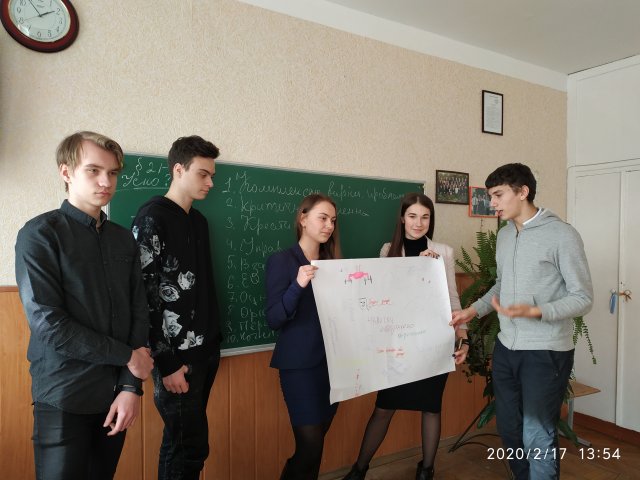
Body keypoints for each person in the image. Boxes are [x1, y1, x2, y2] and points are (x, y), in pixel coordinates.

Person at [15, 131, 154, 480]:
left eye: (113, 173)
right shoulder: (40, 234)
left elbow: (138, 312)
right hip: (64, 395)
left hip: (116, 396)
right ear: (66, 172)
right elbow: (49, 325)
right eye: (93, 170)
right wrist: (127, 357)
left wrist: (130, 386)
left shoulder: (123, 238)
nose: (106, 182)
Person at [451, 163, 593, 480]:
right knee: (510, 429)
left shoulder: (562, 235)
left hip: (546, 352)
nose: (493, 203)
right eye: (491, 196)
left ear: (523, 192)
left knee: (537, 434)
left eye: (498, 195)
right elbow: (502, 286)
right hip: (506, 349)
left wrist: (537, 311)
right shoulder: (504, 236)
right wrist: (473, 311)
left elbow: (583, 297)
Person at [343, 193, 468, 480]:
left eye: (425, 217)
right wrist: (417, 269)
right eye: (412, 216)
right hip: (397, 345)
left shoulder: (444, 252)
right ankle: (358, 470)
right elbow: (385, 297)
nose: (418, 223)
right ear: (402, 218)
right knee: (384, 407)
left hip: (434, 342)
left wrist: (463, 338)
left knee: (431, 408)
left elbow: (452, 298)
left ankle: (426, 470)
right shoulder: (388, 250)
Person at [132, 135, 222, 480]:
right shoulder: (151, 218)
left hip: (205, 351)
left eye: (212, 175)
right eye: (203, 174)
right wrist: (167, 362)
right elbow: (143, 296)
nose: (210, 183)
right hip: (175, 359)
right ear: (178, 170)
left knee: (183, 446)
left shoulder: (199, 222)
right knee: (188, 449)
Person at [265, 193, 342, 480]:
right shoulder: (282, 261)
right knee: (309, 447)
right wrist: (298, 285)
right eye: (323, 218)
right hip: (299, 367)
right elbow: (274, 318)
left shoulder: (335, 264)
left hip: (334, 365)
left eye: (333, 220)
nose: (329, 225)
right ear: (303, 219)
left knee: (318, 444)